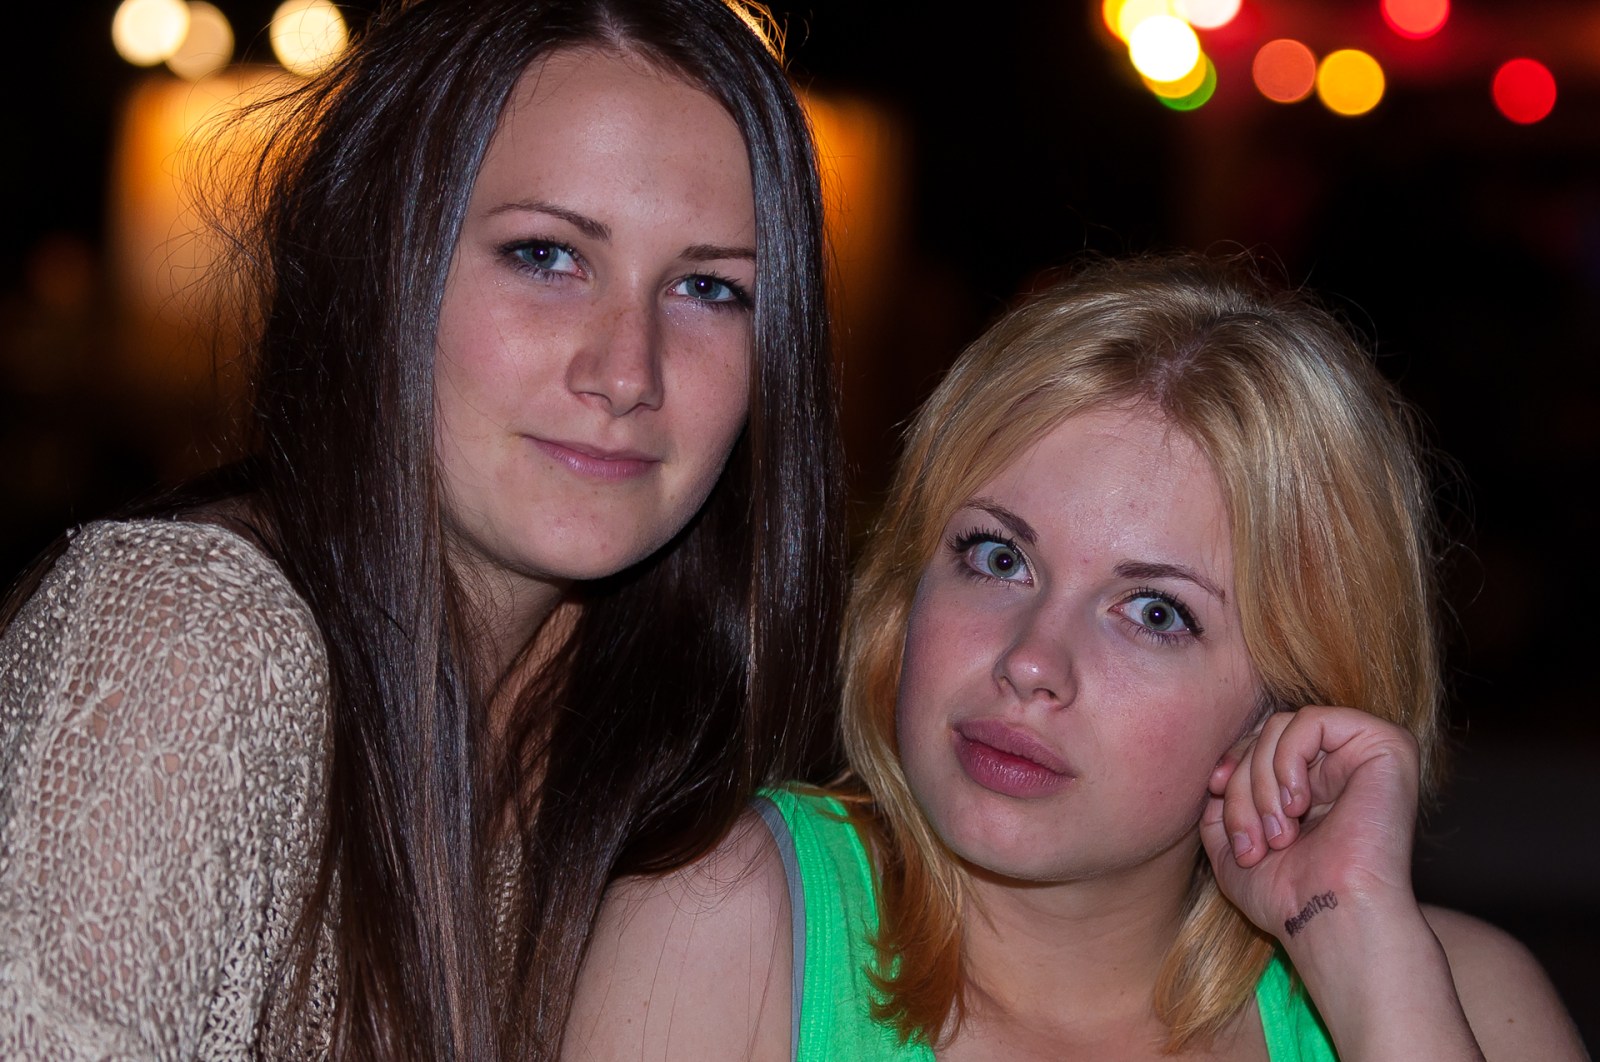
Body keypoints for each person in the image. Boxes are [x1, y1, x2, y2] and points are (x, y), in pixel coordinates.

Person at [0, 1, 843, 1058]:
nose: (628, 371)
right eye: (545, 256)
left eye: (709, 287)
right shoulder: (187, 644)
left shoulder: (682, 753)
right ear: (382, 265)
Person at [564, 252, 1589, 1060]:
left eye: (1154, 612)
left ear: (1293, 701)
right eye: (997, 557)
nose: (1031, 662)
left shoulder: (1464, 1004)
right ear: (905, 590)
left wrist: (1367, 961)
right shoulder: (729, 929)